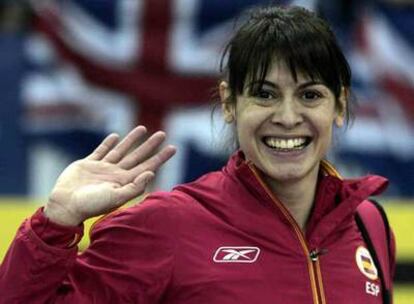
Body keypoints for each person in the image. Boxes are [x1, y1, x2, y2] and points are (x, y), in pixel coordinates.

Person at [0, 4, 395, 303]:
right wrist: (55, 225)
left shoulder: (368, 225)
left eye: (310, 95)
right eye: (264, 94)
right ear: (229, 103)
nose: (288, 117)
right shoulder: (167, 225)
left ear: (339, 106)